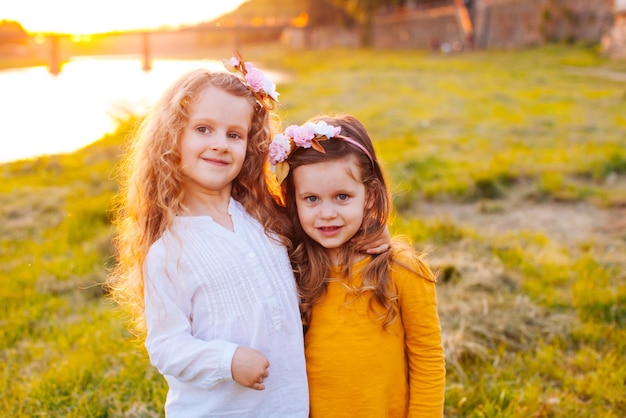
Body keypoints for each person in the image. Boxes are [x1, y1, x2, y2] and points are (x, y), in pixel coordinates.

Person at [107, 55, 309, 417]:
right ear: (173, 139)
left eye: (234, 134)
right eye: (203, 129)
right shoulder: (170, 248)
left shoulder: (264, 220)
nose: (220, 144)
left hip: (287, 406)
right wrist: (227, 360)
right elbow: (167, 345)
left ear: (250, 145)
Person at [270, 114, 446, 417]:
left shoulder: (402, 270)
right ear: (292, 200)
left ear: (370, 196)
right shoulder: (292, 267)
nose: (326, 213)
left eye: (342, 197)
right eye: (311, 198)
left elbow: (427, 358)